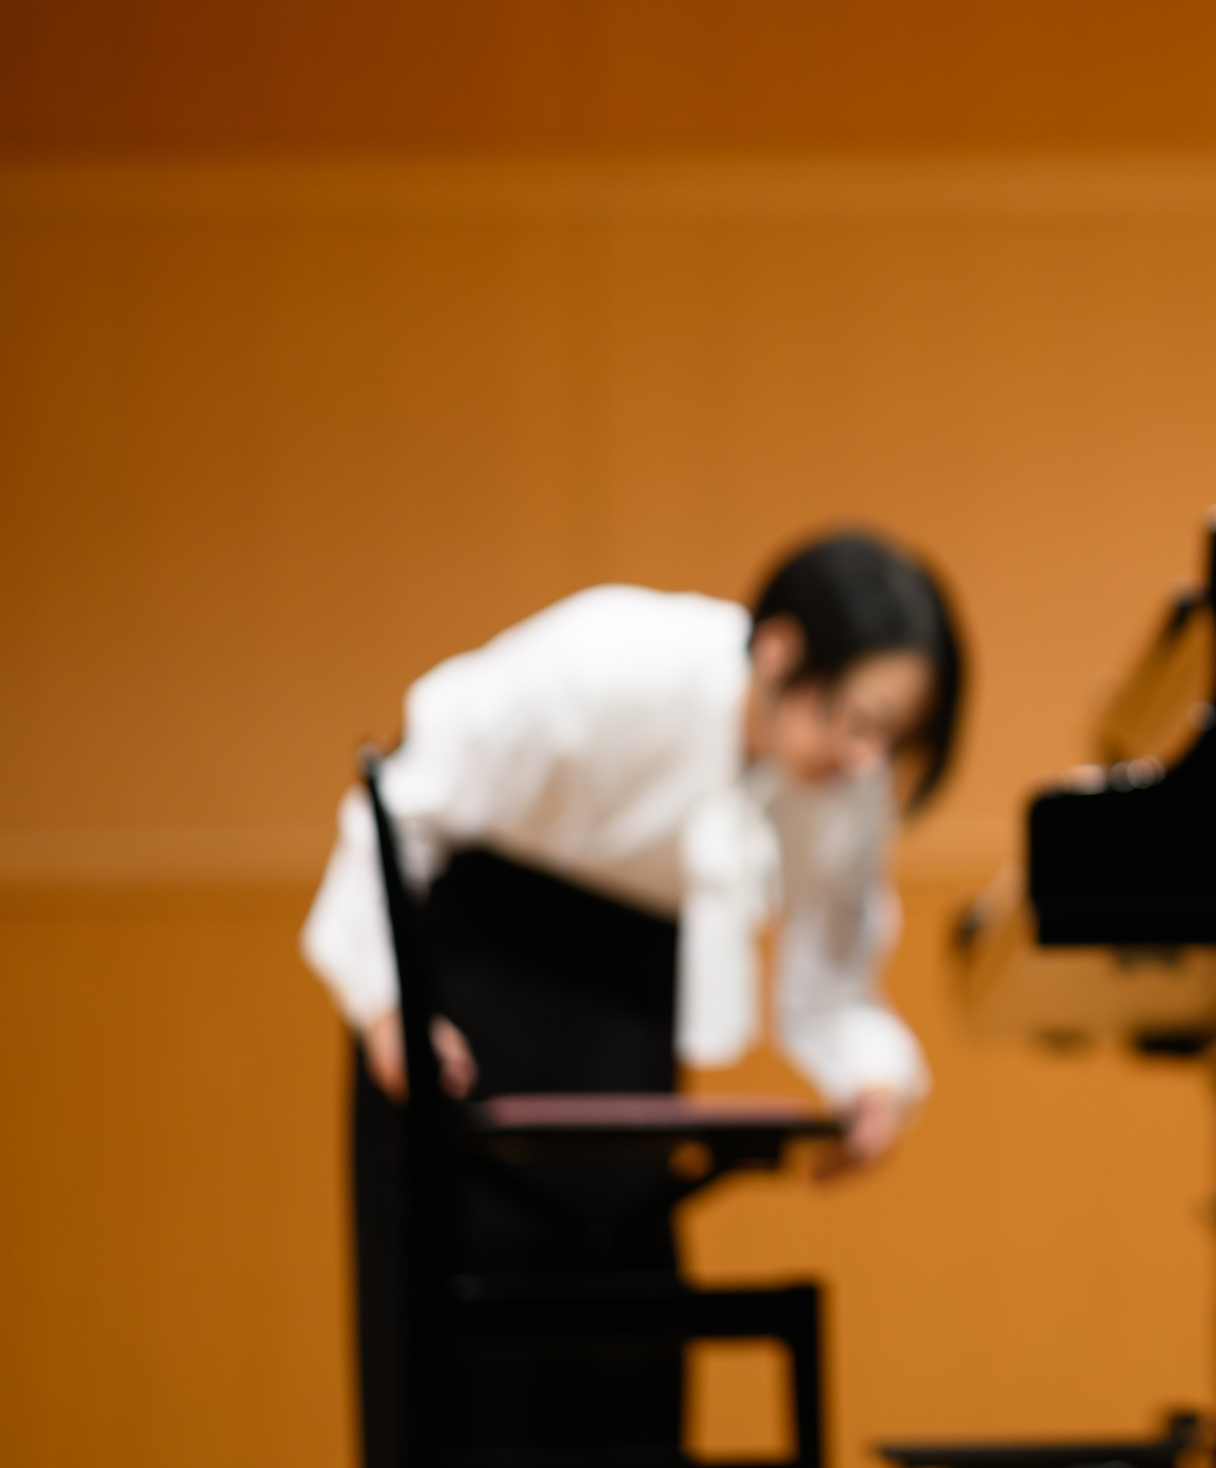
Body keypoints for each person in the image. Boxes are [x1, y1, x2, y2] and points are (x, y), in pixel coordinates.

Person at [299, 528, 963, 1458]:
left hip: (624, 1044)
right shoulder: (610, 661)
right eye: (859, 719)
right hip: (460, 1011)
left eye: (892, 737)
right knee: (460, 1393)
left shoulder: (846, 781)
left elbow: (832, 982)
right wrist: (387, 1007)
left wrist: (871, 1080)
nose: (865, 758)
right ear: (780, 649)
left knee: (623, 1377)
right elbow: (396, 810)